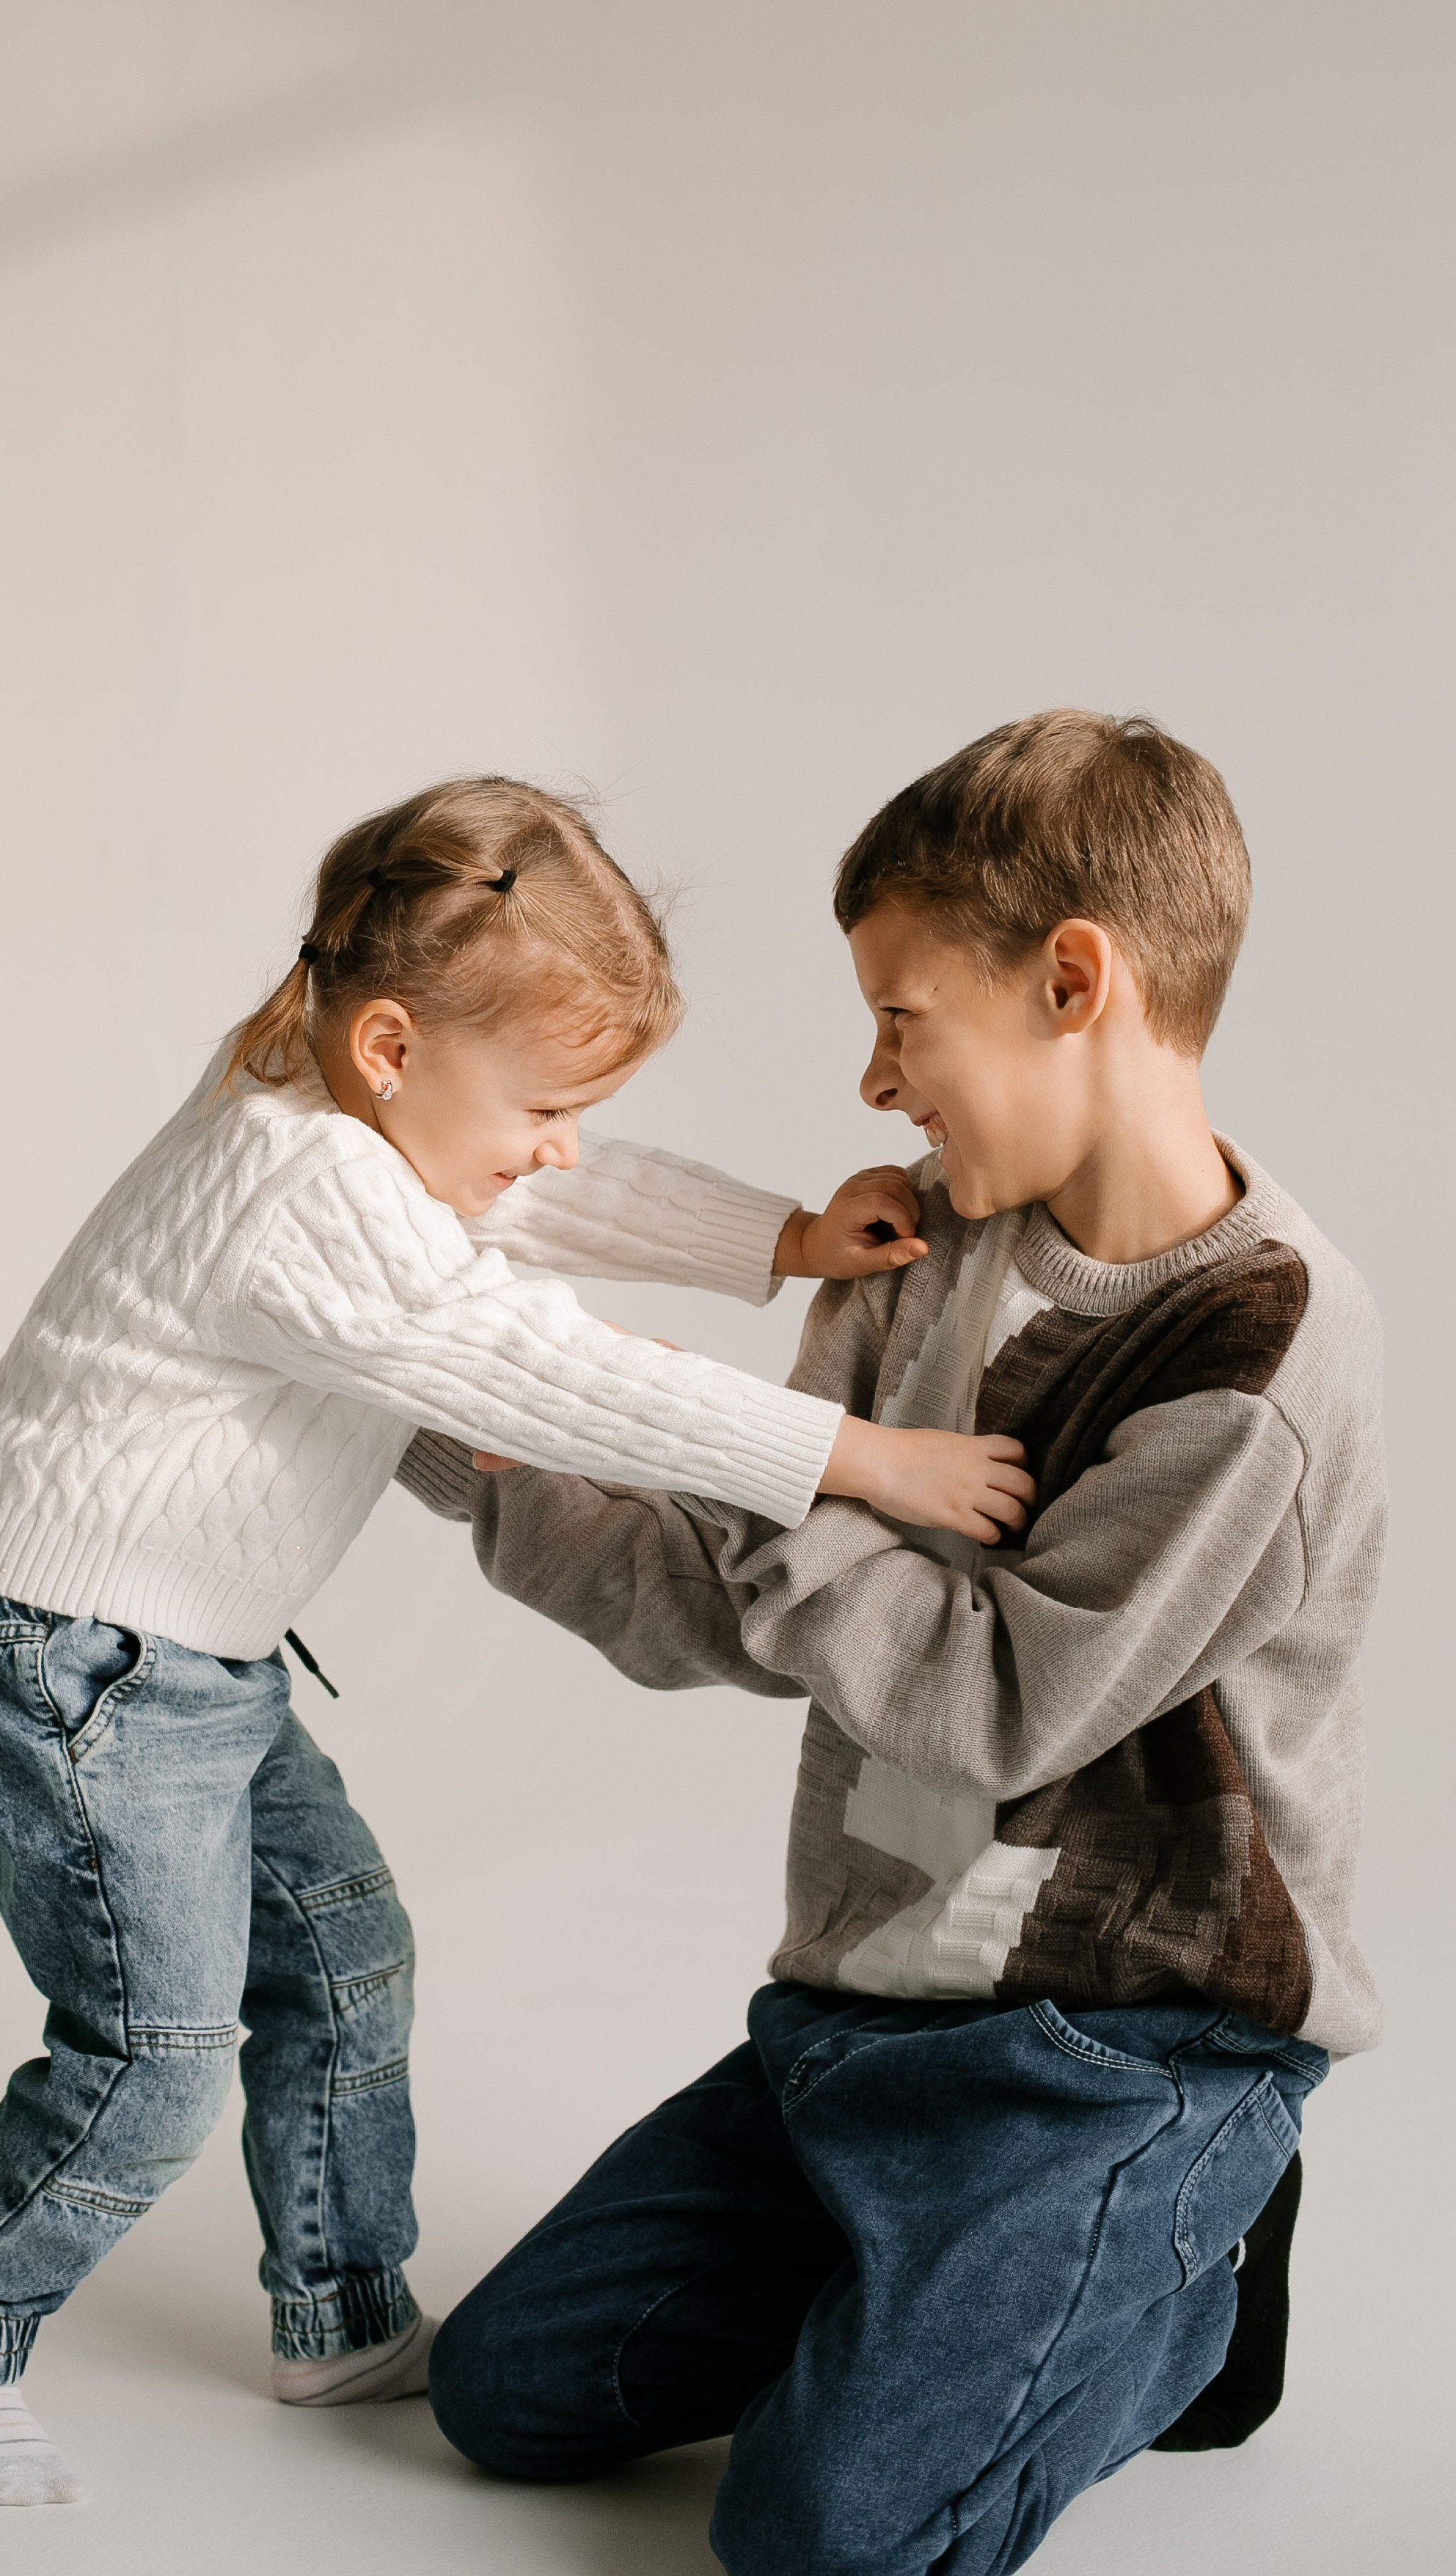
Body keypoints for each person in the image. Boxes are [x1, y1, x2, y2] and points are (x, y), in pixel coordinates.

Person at [0, 775, 1030, 2509]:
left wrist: (772, 1239)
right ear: (395, 1042)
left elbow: (536, 1200)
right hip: (73, 1672)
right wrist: (856, 1456)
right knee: (154, 2052)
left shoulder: (348, 1095)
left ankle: (334, 2310)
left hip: (196, 1659)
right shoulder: (296, 1182)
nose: (561, 1140)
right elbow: (540, 1363)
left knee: (347, 1957)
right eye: (549, 1101)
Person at [405, 715, 1386, 2576]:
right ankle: (947, 2283)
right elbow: (760, 1591)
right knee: (509, 2391)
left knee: (822, 2542)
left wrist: (781, 1475)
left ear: (1071, 978)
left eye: (903, 1014)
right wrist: (470, 1428)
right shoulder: (930, 1249)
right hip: (860, 2016)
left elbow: (993, 1693)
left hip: (1124, 2041)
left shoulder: (1253, 1349)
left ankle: (1177, 2253)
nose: (874, 1079)